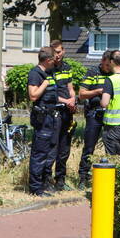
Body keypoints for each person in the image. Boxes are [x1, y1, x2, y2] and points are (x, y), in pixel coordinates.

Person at [76, 49, 114, 188]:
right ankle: (83, 177)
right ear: (102, 61)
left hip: (110, 114)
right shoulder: (92, 73)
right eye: (107, 65)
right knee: (89, 147)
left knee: (111, 147)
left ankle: (108, 177)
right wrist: (97, 91)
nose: (108, 68)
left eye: (111, 66)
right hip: (94, 113)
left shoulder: (114, 74)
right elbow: (81, 94)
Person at [27, 46, 61, 196]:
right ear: (48, 60)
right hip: (42, 119)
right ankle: (35, 188)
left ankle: (44, 183)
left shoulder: (49, 72)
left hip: (52, 118)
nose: (55, 61)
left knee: (50, 152)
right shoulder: (36, 74)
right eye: (54, 59)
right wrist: (45, 83)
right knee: (39, 154)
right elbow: (33, 96)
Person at [48, 39, 76, 190]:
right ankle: (47, 179)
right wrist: (66, 101)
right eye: (54, 53)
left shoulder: (67, 67)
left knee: (64, 148)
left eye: (59, 52)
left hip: (67, 112)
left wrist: (73, 99)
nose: (57, 55)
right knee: (53, 146)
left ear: (63, 51)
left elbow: (70, 88)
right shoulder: (48, 69)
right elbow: (50, 94)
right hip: (54, 112)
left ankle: (60, 180)